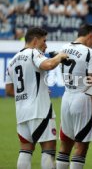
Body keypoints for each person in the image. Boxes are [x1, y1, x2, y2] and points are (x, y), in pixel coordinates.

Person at [5, 27, 68, 169]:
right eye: (44, 41)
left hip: (22, 113)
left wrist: (32, 91)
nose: (46, 46)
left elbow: (9, 90)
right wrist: (60, 56)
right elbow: (49, 64)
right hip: (40, 110)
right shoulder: (33, 53)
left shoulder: (12, 61)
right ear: (35, 40)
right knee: (49, 148)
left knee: (26, 149)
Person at [56, 24, 92, 169]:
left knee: (65, 144)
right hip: (82, 99)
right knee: (81, 147)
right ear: (90, 36)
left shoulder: (63, 48)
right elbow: (91, 83)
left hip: (66, 97)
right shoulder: (89, 52)